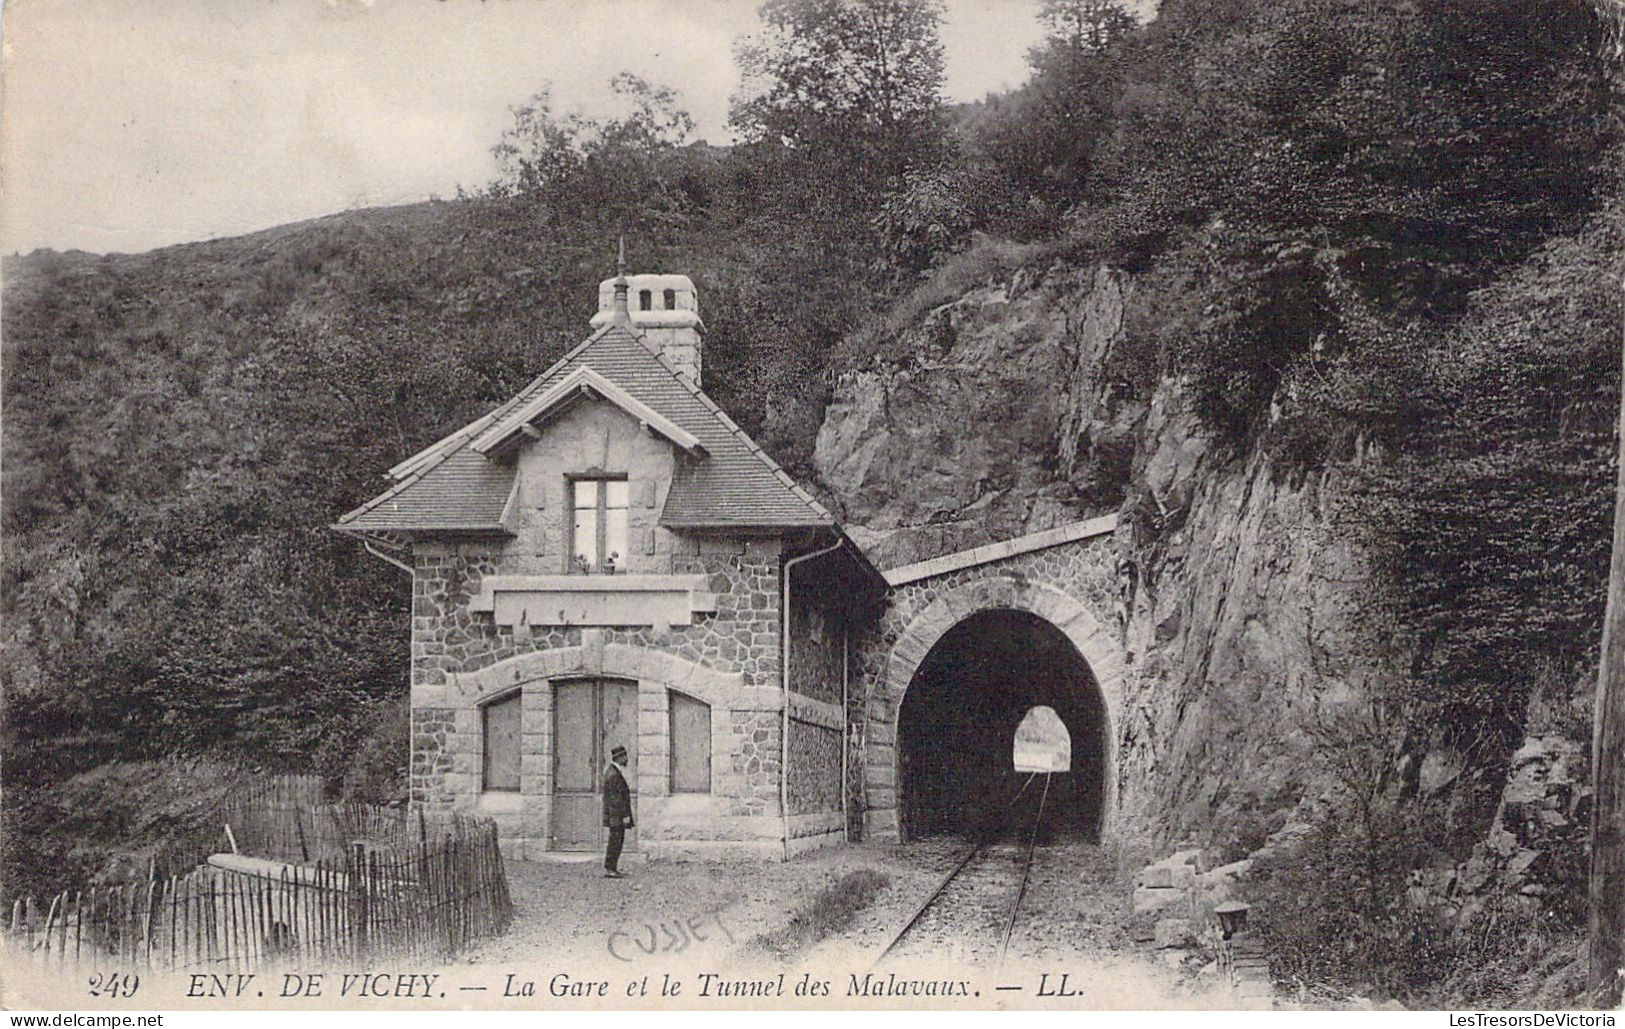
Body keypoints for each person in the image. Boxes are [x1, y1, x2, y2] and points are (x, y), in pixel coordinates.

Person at [602, 744, 633, 878]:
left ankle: (612, 867)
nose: (627, 759)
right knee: (615, 840)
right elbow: (616, 799)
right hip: (616, 816)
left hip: (615, 815)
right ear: (619, 758)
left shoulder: (612, 772)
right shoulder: (614, 774)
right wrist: (625, 815)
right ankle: (610, 868)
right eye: (624, 756)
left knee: (616, 840)